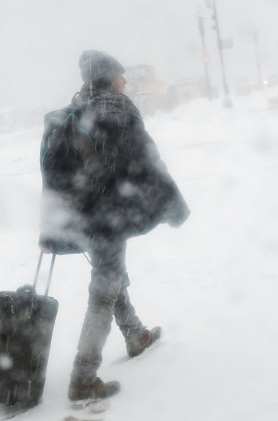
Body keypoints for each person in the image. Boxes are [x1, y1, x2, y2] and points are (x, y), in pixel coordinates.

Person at [39, 50, 190, 401]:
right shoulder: (117, 111)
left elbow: (53, 178)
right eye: (122, 75)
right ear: (109, 77)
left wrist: (50, 230)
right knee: (104, 287)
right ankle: (83, 376)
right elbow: (148, 162)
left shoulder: (74, 109)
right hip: (109, 214)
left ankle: (135, 334)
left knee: (110, 274)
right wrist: (173, 205)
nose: (126, 81)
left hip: (83, 214)